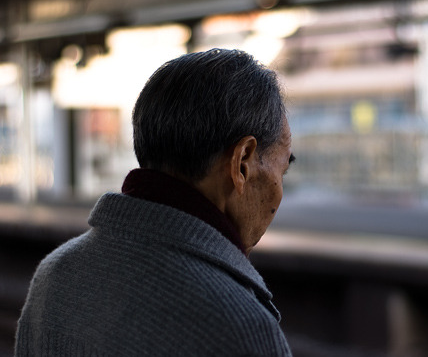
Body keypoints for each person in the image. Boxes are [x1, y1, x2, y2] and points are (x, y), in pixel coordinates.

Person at [15, 49, 295, 356]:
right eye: (282, 170)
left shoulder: (54, 275)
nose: (279, 189)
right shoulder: (240, 326)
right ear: (242, 163)